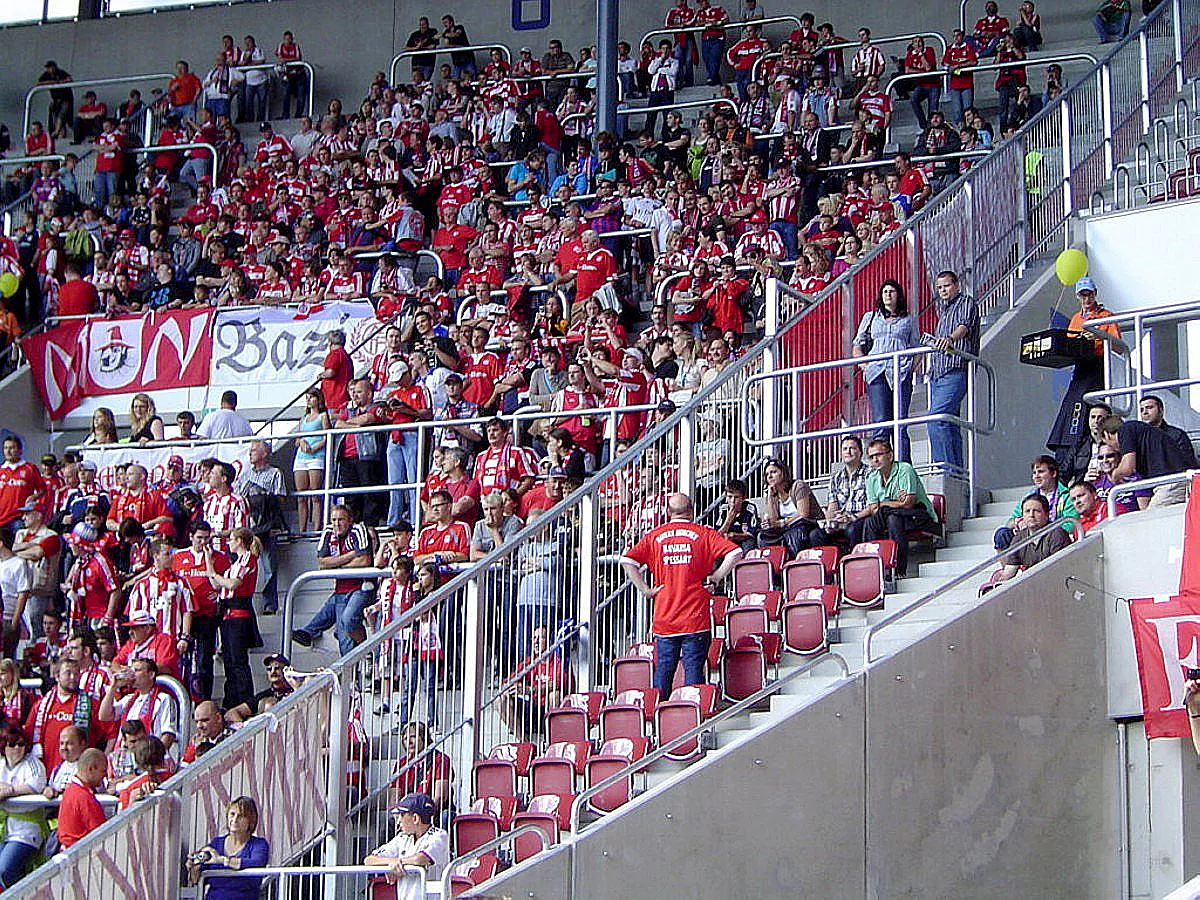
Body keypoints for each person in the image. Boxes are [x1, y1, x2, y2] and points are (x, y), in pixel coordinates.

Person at [621, 492, 742, 697]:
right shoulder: (704, 534)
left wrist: (645, 590)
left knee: (663, 674)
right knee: (693, 674)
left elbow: (627, 561)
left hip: (665, 619)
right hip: (695, 618)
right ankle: (694, 721)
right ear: (691, 510)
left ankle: (658, 721)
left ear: (668, 512)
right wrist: (717, 577)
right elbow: (735, 552)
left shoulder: (654, 536)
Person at [1047, 277, 1121, 462]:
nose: (1086, 299)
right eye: (1083, 295)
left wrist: (1096, 336)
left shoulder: (1107, 316)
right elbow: (1070, 343)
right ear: (1078, 296)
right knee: (1072, 406)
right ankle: (1066, 449)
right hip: (1081, 367)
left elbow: (1118, 346)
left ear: (1095, 294)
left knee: (1090, 406)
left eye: (1089, 295)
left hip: (1099, 365)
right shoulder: (1076, 318)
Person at [851, 279, 921, 461]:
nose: (888, 295)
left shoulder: (908, 319)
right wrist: (864, 365)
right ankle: (881, 466)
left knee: (901, 422)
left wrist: (911, 368)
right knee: (881, 421)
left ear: (898, 295)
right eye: (885, 292)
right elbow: (857, 345)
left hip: (901, 372)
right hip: (878, 372)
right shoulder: (871, 317)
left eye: (892, 291)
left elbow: (916, 346)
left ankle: (904, 467)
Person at [847, 439, 938, 578]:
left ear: (890, 455)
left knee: (893, 519)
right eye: (871, 457)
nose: (875, 460)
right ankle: (876, 570)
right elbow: (873, 508)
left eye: (879, 455)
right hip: (891, 515)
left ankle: (899, 571)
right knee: (869, 523)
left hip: (918, 515)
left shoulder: (905, 469)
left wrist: (884, 504)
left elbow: (908, 503)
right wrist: (895, 503)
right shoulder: (871, 478)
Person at [291, 505, 372, 654]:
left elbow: (365, 560)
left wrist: (336, 565)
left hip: (361, 588)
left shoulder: (358, 530)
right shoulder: (328, 532)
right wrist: (350, 556)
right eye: (334, 519)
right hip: (340, 590)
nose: (337, 524)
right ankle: (350, 673)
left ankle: (367, 650)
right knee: (344, 638)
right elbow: (322, 562)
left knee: (347, 621)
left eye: (341, 519)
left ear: (350, 520)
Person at [204, 527, 264, 710]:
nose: (228, 543)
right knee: (229, 660)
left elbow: (233, 583)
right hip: (228, 614)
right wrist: (209, 562)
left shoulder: (248, 559)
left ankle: (245, 700)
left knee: (238, 661)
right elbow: (216, 583)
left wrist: (215, 575)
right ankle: (231, 700)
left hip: (239, 614)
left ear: (239, 541)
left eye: (231, 539)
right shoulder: (235, 564)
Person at [927, 271, 980, 472]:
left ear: (956, 285)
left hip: (956, 369)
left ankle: (945, 469)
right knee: (950, 423)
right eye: (939, 288)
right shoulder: (945, 311)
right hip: (938, 373)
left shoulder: (966, 302)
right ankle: (957, 471)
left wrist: (950, 338)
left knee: (936, 419)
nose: (943, 291)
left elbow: (964, 327)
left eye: (946, 286)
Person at [363, 792, 450, 898]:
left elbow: (420, 859)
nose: (398, 820)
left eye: (402, 815)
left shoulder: (440, 835)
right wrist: (392, 862)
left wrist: (398, 864)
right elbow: (369, 860)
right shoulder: (402, 838)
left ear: (415, 818)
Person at [1100, 414, 1195, 507]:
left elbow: (1127, 467)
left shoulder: (1126, 429)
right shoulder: (1142, 435)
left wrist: (1115, 475)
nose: (1116, 449)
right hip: (1173, 482)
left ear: (1106, 435)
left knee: (1152, 518)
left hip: (1172, 483)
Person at [236, 441, 286, 614]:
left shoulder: (275, 474)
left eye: (254, 450)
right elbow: (239, 498)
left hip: (267, 526)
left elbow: (281, 499)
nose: (250, 453)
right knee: (243, 566)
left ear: (265, 454)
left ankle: (269, 604)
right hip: (249, 527)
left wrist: (262, 496)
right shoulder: (245, 474)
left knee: (269, 567)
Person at [187, 796, 271, 899]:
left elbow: (256, 863)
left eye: (240, 816)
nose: (234, 819)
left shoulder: (259, 845)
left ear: (251, 821)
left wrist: (223, 860)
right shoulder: (216, 843)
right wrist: (194, 867)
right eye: (232, 814)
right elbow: (197, 879)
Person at [497, 625, 568, 742]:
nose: (536, 642)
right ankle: (523, 742)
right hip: (533, 708)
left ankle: (550, 741)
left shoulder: (558, 660)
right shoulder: (531, 661)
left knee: (554, 695)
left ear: (550, 641)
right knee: (501, 699)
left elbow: (557, 683)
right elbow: (508, 681)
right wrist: (516, 686)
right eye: (534, 638)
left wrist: (530, 690)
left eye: (540, 638)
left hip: (550, 710)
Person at [993, 456, 1078, 550]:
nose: (1036, 476)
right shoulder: (1029, 497)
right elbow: (1010, 522)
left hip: (1053, 539)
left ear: (1053, 473)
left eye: (1041, 472)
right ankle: (1008, 565)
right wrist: (1019, 522)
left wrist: (1043, 531)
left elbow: (1070, 524)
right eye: (1034, 473)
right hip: (1029, 537)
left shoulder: (1066, 496)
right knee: (1002, 534)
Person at [0, 724, 47, 887]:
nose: (17, 749)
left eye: (21, 744)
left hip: (27, 828)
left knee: (5, 868)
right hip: (3, 826)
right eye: (12, 745)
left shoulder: (33, 763)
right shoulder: (0, 763)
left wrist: (9, 791)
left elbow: (35, 785)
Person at [993, 494, 1073, 583]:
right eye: (1027, 511)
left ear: (1046, 514)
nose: (1031, 515)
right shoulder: (1019, 537)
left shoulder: (1057, 534)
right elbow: (1010, 570)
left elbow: (1058, 569)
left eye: (1037, 511)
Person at [760, 457, 828, 555]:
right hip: (787, 528)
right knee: (762, 537)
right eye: (767, 474)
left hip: (810, 524)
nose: (770, 476)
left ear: (783, 473)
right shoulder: (772, 494)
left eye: (774, 472)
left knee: (795, 533)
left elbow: (803, 515)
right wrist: (770, 496)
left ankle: (796, 565)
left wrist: (782, 523)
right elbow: (773, 520)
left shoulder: (798, 486)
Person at [292, 390, 332, 534]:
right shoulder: (304, 418)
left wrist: (314, 448)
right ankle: (302, 529)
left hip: (316, 456)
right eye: (307, 398)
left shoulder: (323, 416)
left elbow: (327, 436)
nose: (308, 401)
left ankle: (316, 527)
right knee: (301, 496)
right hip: (301, 457)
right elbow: (297, 438)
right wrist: (302, 442)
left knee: (315, 494)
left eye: (311, 398)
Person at [56, 747, 108, 849]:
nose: (105, 775)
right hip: (80, 854)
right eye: (103, 770)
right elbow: (102, 833)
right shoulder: (84, 797)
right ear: (91, 768)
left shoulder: (70, 790)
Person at [825, 435, 871, 538]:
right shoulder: (835, 478)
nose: (848, 452)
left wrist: (852, 517)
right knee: (816, 535)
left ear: (860, 452)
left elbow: (872, 506)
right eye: (845, 449)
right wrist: (830, 521)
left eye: (852, 448)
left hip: (861, 517)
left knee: (852, 530)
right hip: (842, 519)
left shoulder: (870, 474)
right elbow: (833, 506)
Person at [1138, 395, 1198, 466]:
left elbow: (1188, 464)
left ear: (1161, 410)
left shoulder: (1177, 435)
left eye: (1149, 408)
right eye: (1141, 410)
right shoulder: (1139, 439)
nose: (1144, 412)